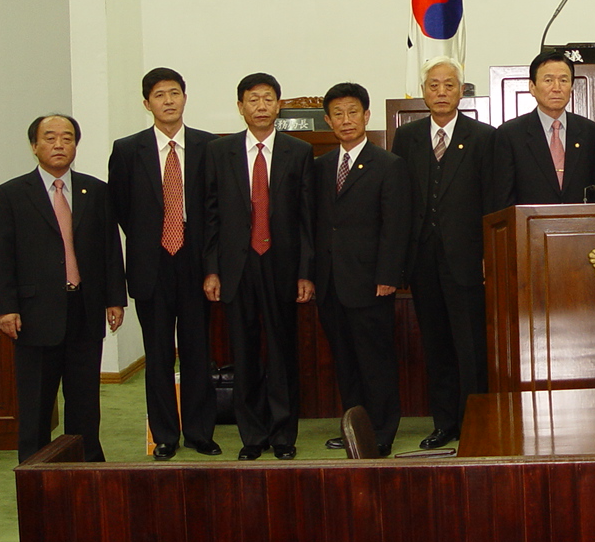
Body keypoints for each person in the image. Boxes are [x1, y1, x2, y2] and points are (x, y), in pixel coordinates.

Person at [0, 115, 126, 462]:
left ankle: (87, 467)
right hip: (35, 315)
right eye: (49, 138)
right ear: (34, 146)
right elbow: (1, 256)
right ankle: (34, 470)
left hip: (84, 307)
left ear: (75, 145)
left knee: (84, 401)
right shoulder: (10, 194)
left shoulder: (94, 190)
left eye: (67, 138)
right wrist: (6, 307)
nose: (59, 144)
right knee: (36, 402)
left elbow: (110, 248)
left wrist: (115, 299)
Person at [108, 68, 220, 460]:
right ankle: (165, 435)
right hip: (151, 262)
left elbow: (215, 209)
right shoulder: (127, 149)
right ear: (147, 103)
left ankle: (199, 432)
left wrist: (209, 262)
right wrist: (151, 238)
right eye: (159, 95)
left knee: (196, 350)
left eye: (175, 93)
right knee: (156, 355)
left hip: (195, 260)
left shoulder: (209, 146)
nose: (168, 101)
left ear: (185, 98)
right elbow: (121, 209)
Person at [203, 73, 314, 460]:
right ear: (240, 107)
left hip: (281, 266)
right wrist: (212, 269)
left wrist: (304, 272)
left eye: (268, 99)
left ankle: (284, 436)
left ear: (279, 105)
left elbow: (306, 220)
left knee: (283, 354)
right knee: (245, 354)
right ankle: (252, 437)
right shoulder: (220, 153)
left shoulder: (298, 152)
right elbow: (210, 217)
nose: (261, 106)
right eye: (253, 100)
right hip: (238, 266)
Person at [391, 56, 499, 449]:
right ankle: (444, 423)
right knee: (435, 345)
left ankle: (476, 423)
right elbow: (400, 200)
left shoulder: (484, 136)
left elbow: (492, 201)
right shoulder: (408, 137)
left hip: (468, 260)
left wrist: (490, 254)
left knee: (470, 347)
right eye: (433, 85)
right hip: (422, 261)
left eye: (448, 85)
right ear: (423, 92)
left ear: (461, 90)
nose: (441, 92)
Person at [314, 82, 411, 456]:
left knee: (376, 362)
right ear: (328, 121)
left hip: (372, 283)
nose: (346, 120)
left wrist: (388, 276)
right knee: (346, 362)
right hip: (330, 283)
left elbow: (395, 225)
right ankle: (354, 427)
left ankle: (382, 430)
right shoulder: (321, 166)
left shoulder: (388, 164)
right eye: (337, 114)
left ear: (366, 116)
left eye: (353, 112)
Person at [493, 51, 595, 206]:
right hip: (528, 227)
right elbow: (503, 199)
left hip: (581, 227)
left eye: (563, 80)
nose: (557, 88)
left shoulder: (590, 132)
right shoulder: (510, 135)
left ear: (572, 87)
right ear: (532, 87)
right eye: (548, 80)